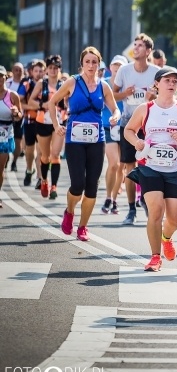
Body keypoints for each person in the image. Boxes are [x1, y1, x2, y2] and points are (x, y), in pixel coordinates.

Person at [125, 66, 177, 272]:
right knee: (155, 211)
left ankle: (166, 237)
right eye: (167, 80)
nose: (172, 84)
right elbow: (128, 130)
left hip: (175, 169)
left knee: (174, 220)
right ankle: (155, 257)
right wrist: (137, 142)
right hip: (150, 167)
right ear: (157, 84)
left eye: (175, 81)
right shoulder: (145, 109)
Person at [49, 47, 121, 241]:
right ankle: (69, 211)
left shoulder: (103, 86)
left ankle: (83, 227)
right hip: (74, 140)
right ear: (81, 63)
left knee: (92, 186)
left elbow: (115, 109)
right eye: (87, 62)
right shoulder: (72, 82)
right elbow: (52, 102)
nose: (91, 65)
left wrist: (115, 116)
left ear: (99, 64)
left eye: (94, 62)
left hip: (97, 140)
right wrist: (56, 125)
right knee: (77, 184)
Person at [114, 34, 160, 225]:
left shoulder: (157, 72)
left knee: (149, 167)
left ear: (148, 51)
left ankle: (146, 201)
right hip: (129, 124)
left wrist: (152, 97)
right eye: (135, 45)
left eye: (140, 45)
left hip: (150, 126)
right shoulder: (124, 71)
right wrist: (125, 93)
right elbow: (113, 95)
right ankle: (131, 209)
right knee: (130, 168)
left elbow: (165, 97)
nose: (136, 48)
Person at [29, 55, 67, 199]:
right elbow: (31, 101)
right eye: (50, 68)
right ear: (46, 70)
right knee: (45, 156)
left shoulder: (64, 84)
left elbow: (68, 102)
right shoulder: (41, 83)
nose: (53, 70)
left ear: (59, 69)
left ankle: (54, 186)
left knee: (55, 155)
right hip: (43, 121)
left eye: (55, 68)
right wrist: (43, 104)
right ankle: (44, 180)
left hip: (59, 122)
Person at [100, 55, 128, 214]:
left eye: (121, 67)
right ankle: (108, 196)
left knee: (121, 167)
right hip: (108, 126)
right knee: (114, 164)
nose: (117, 69)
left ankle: (115, 200)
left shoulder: (129, 84)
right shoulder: (104, 83)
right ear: (110, 68)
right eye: (115, 66)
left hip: (125, 127)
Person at [0, 66, 24, 207]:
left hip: (5, 133)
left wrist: (16, 113)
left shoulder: (12, 95)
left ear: (5, 78)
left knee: (0, 168)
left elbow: (19, 116)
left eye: (1, 76)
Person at [19, 60, 44, 186]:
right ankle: (29, 170)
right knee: (30, 150)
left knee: (41, 151)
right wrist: (32, 107)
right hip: (29, 120)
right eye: (36, 71)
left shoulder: (47, 85)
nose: (38, 73)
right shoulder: (26, 84)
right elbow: (19, 102)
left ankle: (40, 177)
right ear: (31, 72)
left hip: (44, 121)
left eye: (41, 71)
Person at [5, 62, 25, 171]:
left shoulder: (26, 83)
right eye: (16, 70)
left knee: (18, 141)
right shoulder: (7, 82)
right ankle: (6, 157)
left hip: (19, 116)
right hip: (6, 116)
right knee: (5, 139)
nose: (18, 72)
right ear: (12, 71)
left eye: (20, 70)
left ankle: (14, 161)